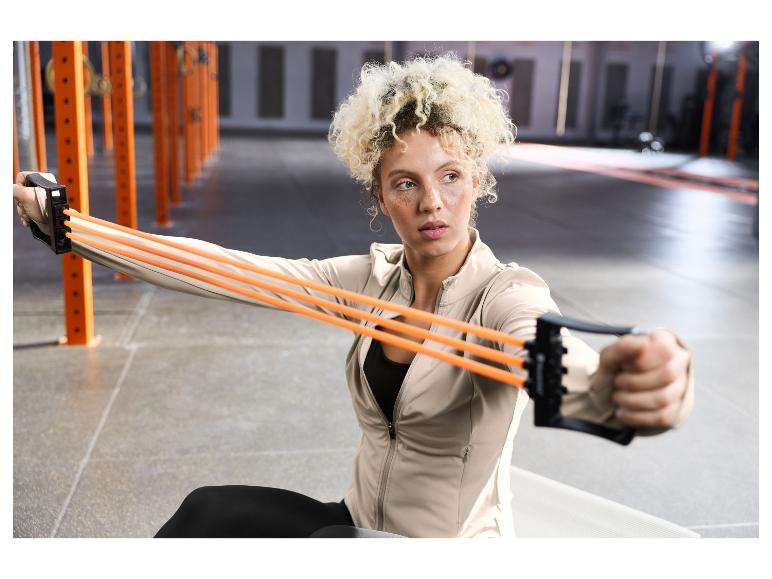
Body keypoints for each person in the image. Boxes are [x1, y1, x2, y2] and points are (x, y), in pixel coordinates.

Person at [12, 54, 694, 538]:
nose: (433, 202)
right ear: (380, 195)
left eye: (451, 175)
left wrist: (625, 382)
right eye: (406, 183)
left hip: (441, 556)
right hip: (360, 524)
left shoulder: (506, 294)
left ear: (477, 178)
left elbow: (554, 354)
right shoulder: (370, 281)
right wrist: (71, 231)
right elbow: (224, 268)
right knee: (208, 512)